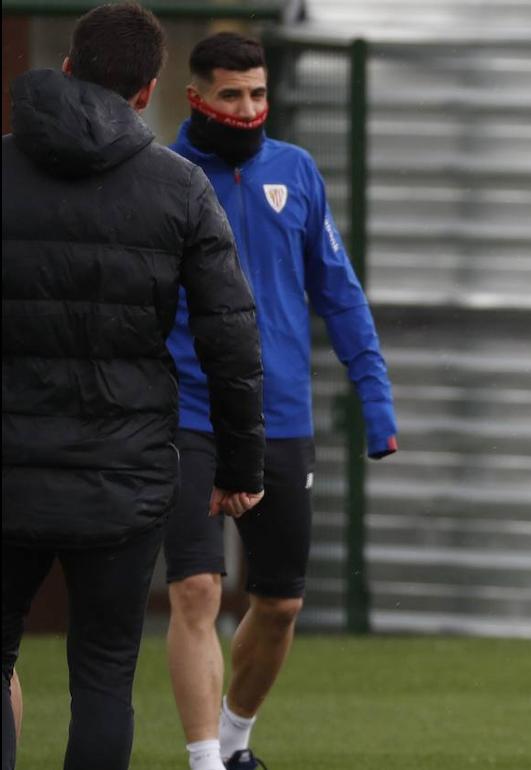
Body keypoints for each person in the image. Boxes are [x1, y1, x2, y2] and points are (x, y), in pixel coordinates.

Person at [2, 5, 265, 770]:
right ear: (149, 91)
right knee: (104, 675)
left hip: (8, 464)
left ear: (71, 68)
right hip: (125, 469)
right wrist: (241, 468)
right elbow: (232, 339)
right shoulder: (177, 187)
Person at [161, 32, 399, 770]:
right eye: (231, 95)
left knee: (281, 602)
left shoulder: (295, 171)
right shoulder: (162, 176)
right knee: (198, 588)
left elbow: (340, 292)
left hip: (281, 414)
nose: (248, 108)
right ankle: (204, 762)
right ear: (196, 97)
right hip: (190, 412)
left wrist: (377, 398)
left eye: (258, 94)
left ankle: (234, 744)